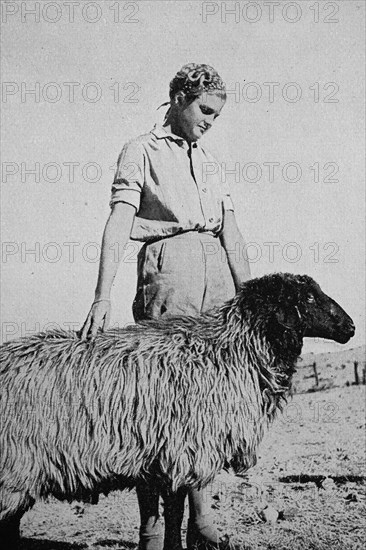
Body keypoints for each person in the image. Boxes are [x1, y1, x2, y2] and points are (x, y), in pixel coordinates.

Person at [81, 63, 251, 550]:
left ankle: (200, 519)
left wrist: (248, 299)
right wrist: (101, 294)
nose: (210, 121)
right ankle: (152, 528)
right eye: (204, 110)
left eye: (217, 115)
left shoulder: (212, 161)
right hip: (168, 272)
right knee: (159, 406)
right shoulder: (141, 150)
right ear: (178, 98)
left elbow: (232, 234)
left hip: (216, 277)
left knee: (208, 405)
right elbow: (118, 223)